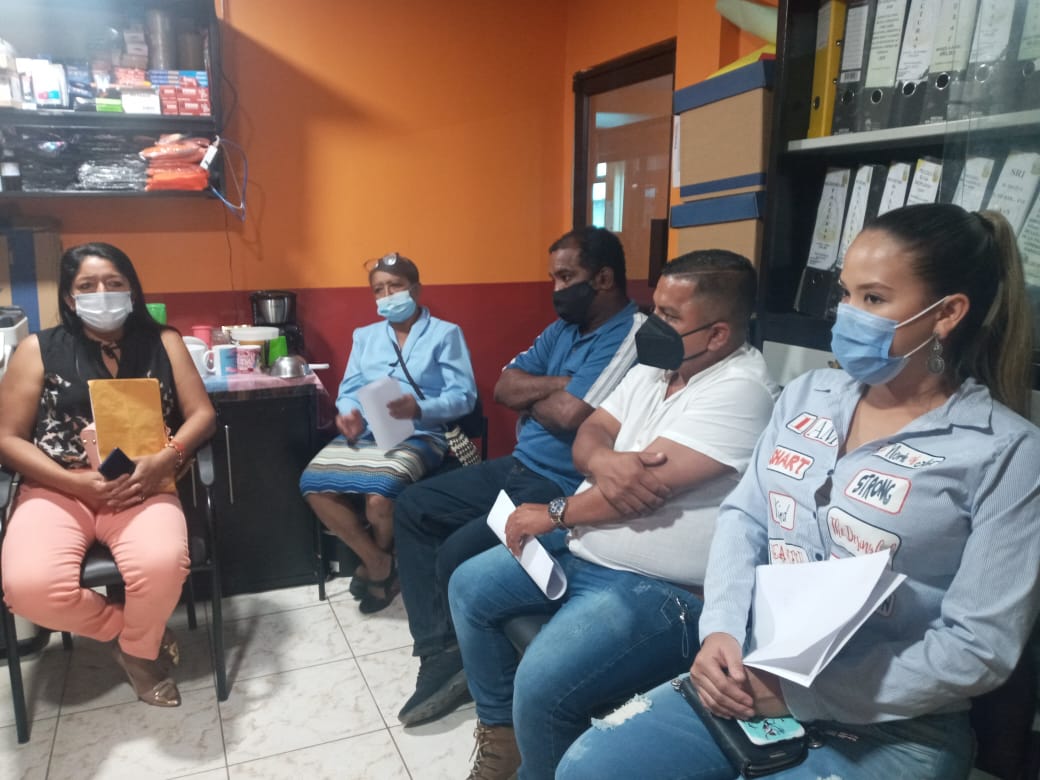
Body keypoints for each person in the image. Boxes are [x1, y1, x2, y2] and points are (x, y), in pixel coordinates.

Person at [556, 203, 1040, 780]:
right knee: (590, 765)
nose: (849, 315)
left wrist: (798, 696)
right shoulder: (809, 395)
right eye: (846, 294)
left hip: (893, 722)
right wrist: (721, 630)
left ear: (947, 313)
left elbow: (979, 647)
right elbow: (745, 518)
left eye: (874, 299)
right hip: (751, 673)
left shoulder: (1004, 452)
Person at [449, 249, 780, 780]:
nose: (651, 324)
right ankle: (502, 740)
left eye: (668, 315)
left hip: (659, 588)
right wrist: (605, 461)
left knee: (541, 683)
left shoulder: (742, 390)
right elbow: (591, 431)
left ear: (717, 334)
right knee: (468, 586)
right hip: (584, 546)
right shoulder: (659, 366)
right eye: (655, 308)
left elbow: (642, 490)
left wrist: (556, 511)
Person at [393, 226, 645, 726]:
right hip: (517, 465)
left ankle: (470, 667)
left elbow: (571, 416)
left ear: (603, 279)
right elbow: (504, 387)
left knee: (457, 552)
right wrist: (561, 385)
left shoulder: (630, 331)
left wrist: (545, 399)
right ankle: (440, 653)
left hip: (558, 484)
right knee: (414, 506)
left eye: (566, 277)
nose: (556, 289)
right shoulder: (565, 330)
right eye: (553, 278)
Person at [0, 241, 216, 708]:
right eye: (87, 285)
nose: (103, 293)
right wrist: (73, 482)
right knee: (29, 589)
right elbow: (7, 438)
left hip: (143, 483)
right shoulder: (37, 350)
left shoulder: (164, 342)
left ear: (132, 290)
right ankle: (129, 633)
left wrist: (168, 456)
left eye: (114, 283)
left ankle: (137, 654)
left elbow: (202, 415)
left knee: (162, 564)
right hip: (59, 488)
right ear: (69, 296)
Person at [299, 252, 477, 613]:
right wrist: (348, 413)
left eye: (395, 286)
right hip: (368, 431)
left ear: (416, 289)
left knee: (380, 497)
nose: (387, 295)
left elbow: (464, 396)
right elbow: (350, 388)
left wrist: (421, 408)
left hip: (422, 433)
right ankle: (380, 562)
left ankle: (380, 566)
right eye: (378, 289)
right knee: (313, 485)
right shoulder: (365, 336)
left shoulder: (445, 334)